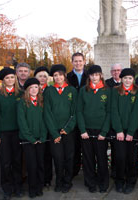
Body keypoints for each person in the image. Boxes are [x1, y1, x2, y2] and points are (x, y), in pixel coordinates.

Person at [43, 64, 77, 193]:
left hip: (68, 131)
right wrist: (54, 132)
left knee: (69, 157)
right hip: (54, 132)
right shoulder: (49, 91)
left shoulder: (72, 91)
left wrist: (67, 128)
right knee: (58, 158)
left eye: (60, 75)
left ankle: (67, 181)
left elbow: (75, 112)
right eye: (55, 75)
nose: (58, 78)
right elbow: (47, 113)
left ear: (64, 76)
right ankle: (59, 181)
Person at [77, 65, 111, 193]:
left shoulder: (107, 90)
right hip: (86, 130)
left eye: (97, 74)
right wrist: (82, 130)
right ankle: (90, 182)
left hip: (101, 131)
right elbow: (79, 111)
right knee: (88, 158)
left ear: (101, 75)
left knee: (101, 158)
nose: (94, 77)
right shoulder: (83, 90)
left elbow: (109, 112)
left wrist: (104, 131)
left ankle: (103, 182)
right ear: (89, 76)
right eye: (92, 75)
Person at [0, 68, 23, 200]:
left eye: (12, 77)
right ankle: (7, 189)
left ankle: (18, 187)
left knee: (17, 161)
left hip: (18, 133)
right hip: (3, 134)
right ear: (3, 80)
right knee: (5, 162)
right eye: (7, 78)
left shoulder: (20, 94)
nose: (10, 80)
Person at [111, 68, 138, 194]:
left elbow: (136, 113)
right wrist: (118, 130)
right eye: (125, 78)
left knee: (132, 157)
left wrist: (131, 132)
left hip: (132, 131)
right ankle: (119, 180)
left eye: (130, 78)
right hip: (119, 131)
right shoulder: (115, 91)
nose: (127, 80)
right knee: (120, 156)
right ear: (121, 79)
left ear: (133, 79)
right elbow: (114, 111)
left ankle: (131, 181)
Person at [17, 78, 47, 198]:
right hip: (28, 140)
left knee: (40, 163)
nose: (34, 90)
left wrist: (43, 136)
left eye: (36, 87)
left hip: (41, 139)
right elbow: (22, 123)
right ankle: (32, 188)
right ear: (27, 90)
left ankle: (40, 187)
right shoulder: (22, 103)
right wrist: (31, 138)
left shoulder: (41, 101)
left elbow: (45, 120)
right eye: (31, 88)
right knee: (31, 165)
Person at [67, 52, 88, 177]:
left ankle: (87, 170)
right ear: (72, 62)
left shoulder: (89, 76)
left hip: (86, 115)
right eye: (75, 61)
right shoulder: (68, 77)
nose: (78, 63)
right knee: (73, 147)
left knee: (86, 147)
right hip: (72, 114)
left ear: (84, 61)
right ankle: (73, 171)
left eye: (80, 61)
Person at [34, 66, 53, 187]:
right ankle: (37, 178)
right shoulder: (32, 90)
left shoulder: (50, 90)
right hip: (36, 126)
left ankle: (47, 178)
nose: (42, 78)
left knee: (48, 154)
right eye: (40, 76)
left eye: (44, 76)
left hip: (48, 126)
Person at [105, 63, 123, 179]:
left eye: (118, 70)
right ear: (111, 72)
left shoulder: (126, 82)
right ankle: (112, 170)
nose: (116, 72)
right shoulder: (107, 84)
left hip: (121, 122)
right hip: (108, 122)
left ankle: (119, 170)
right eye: (114, 70)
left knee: (119, 150)